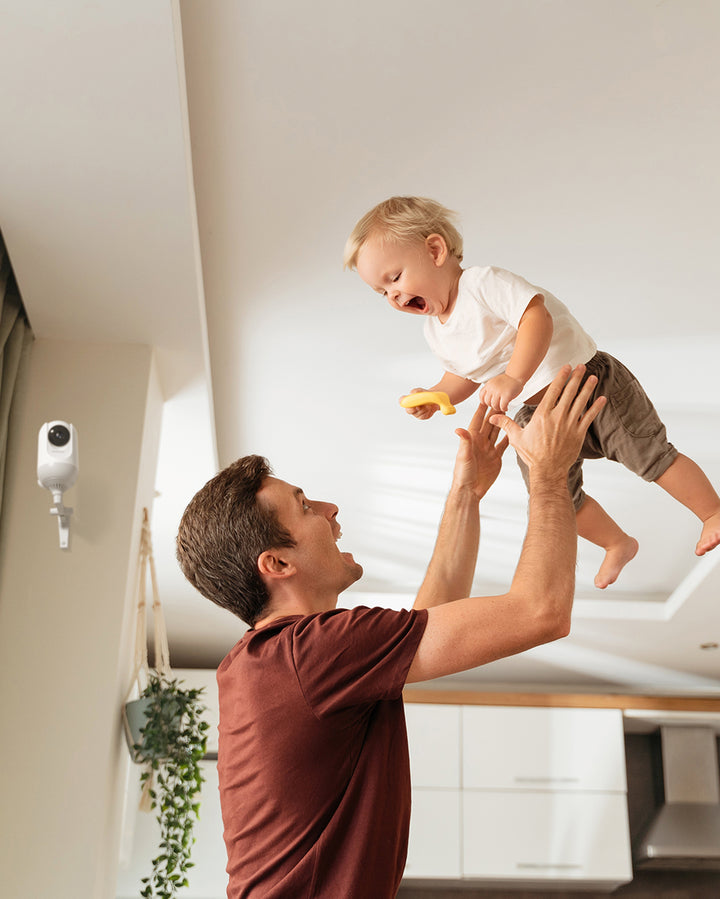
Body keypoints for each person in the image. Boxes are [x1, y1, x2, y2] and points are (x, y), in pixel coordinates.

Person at [177, 365, 605, 899]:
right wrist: (549, 474)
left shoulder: (286, 658)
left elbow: (431, 617)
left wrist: (465, 494)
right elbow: (541, 611)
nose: (331, 509)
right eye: (306, 507)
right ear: (278, 564)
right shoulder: (308, 653)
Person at [344, 195, 720, 589]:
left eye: (395, 278)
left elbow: (534, 317)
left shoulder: (481, 283)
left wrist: (513, 378)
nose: (394, 296)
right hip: (537, 415)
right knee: (554, 497)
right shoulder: (436, 330)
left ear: (435, 250)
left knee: (651, 457)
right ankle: (617, 544)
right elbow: (465, 376)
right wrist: (437, 396)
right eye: (382, 292)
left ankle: (711, 512)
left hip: (588, 384)